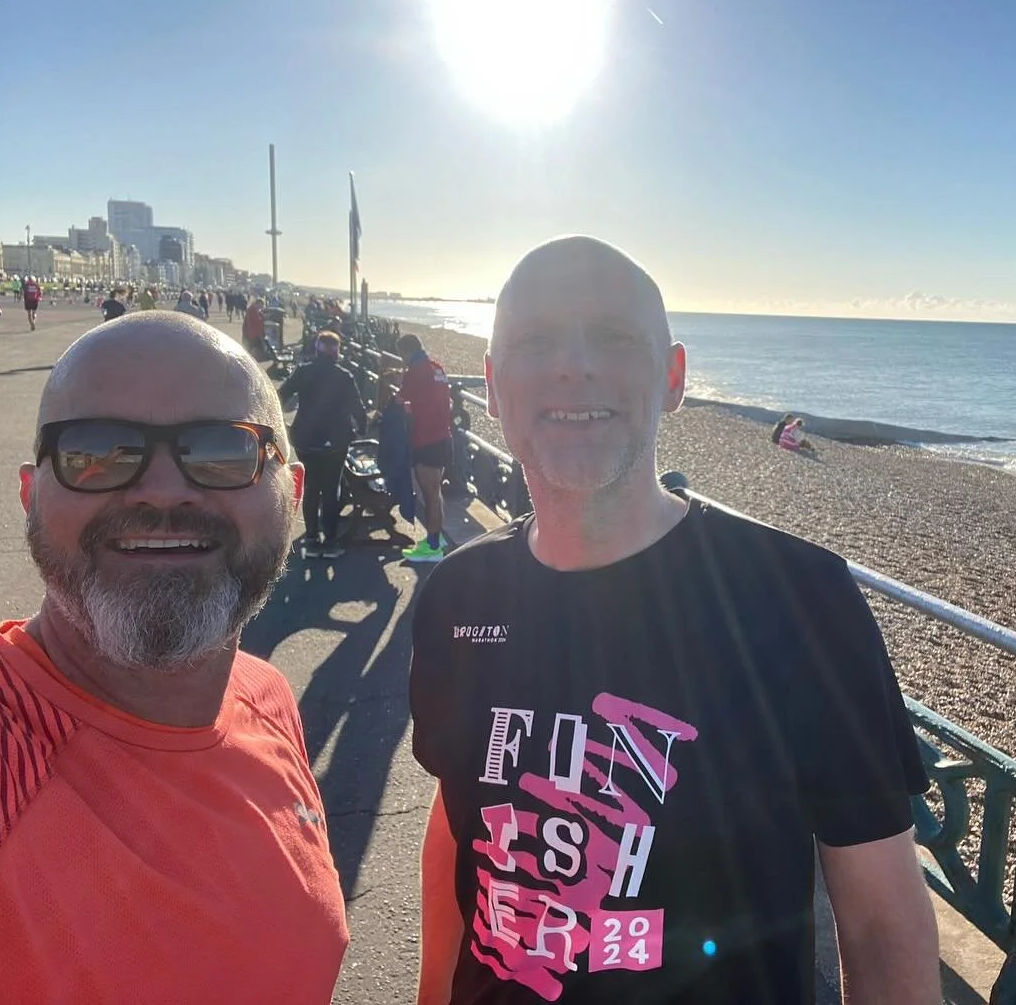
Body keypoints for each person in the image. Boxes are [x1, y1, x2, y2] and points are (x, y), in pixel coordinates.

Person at [409, 236, 938, 1005]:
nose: (573, 366)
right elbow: (460, 815)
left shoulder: (799, 599)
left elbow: (883, 923)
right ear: (491, 387)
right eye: (534, 341)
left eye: (615, 338)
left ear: (674, 376)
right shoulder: (459, 594)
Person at [0, 313, 349, 1002]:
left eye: (223, 452)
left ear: (294, 496)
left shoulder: (267, 698)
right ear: (30, 496)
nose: (163, 491)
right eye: (95, 452)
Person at [277, 330, 367, 558]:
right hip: (336, 441)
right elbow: (358, 409)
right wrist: (360, 430)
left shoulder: (303, 371)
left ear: (317, 349)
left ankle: (311, 538)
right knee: (331, 490)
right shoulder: (344, 376)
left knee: (311, 488)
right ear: (337, 351)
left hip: (306, 440)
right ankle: (330, 541)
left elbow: (280, 395)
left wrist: (280, 426)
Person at [395, 333, 454, 564]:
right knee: (435, 492)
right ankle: (436, 540)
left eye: (402, 355)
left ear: (407, 351)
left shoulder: (415, 370)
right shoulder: (436, 367)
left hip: (426, 438)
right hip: (444, 435)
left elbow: (401, 399)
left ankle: (432, 547)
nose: (401, 359)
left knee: (430, 494)